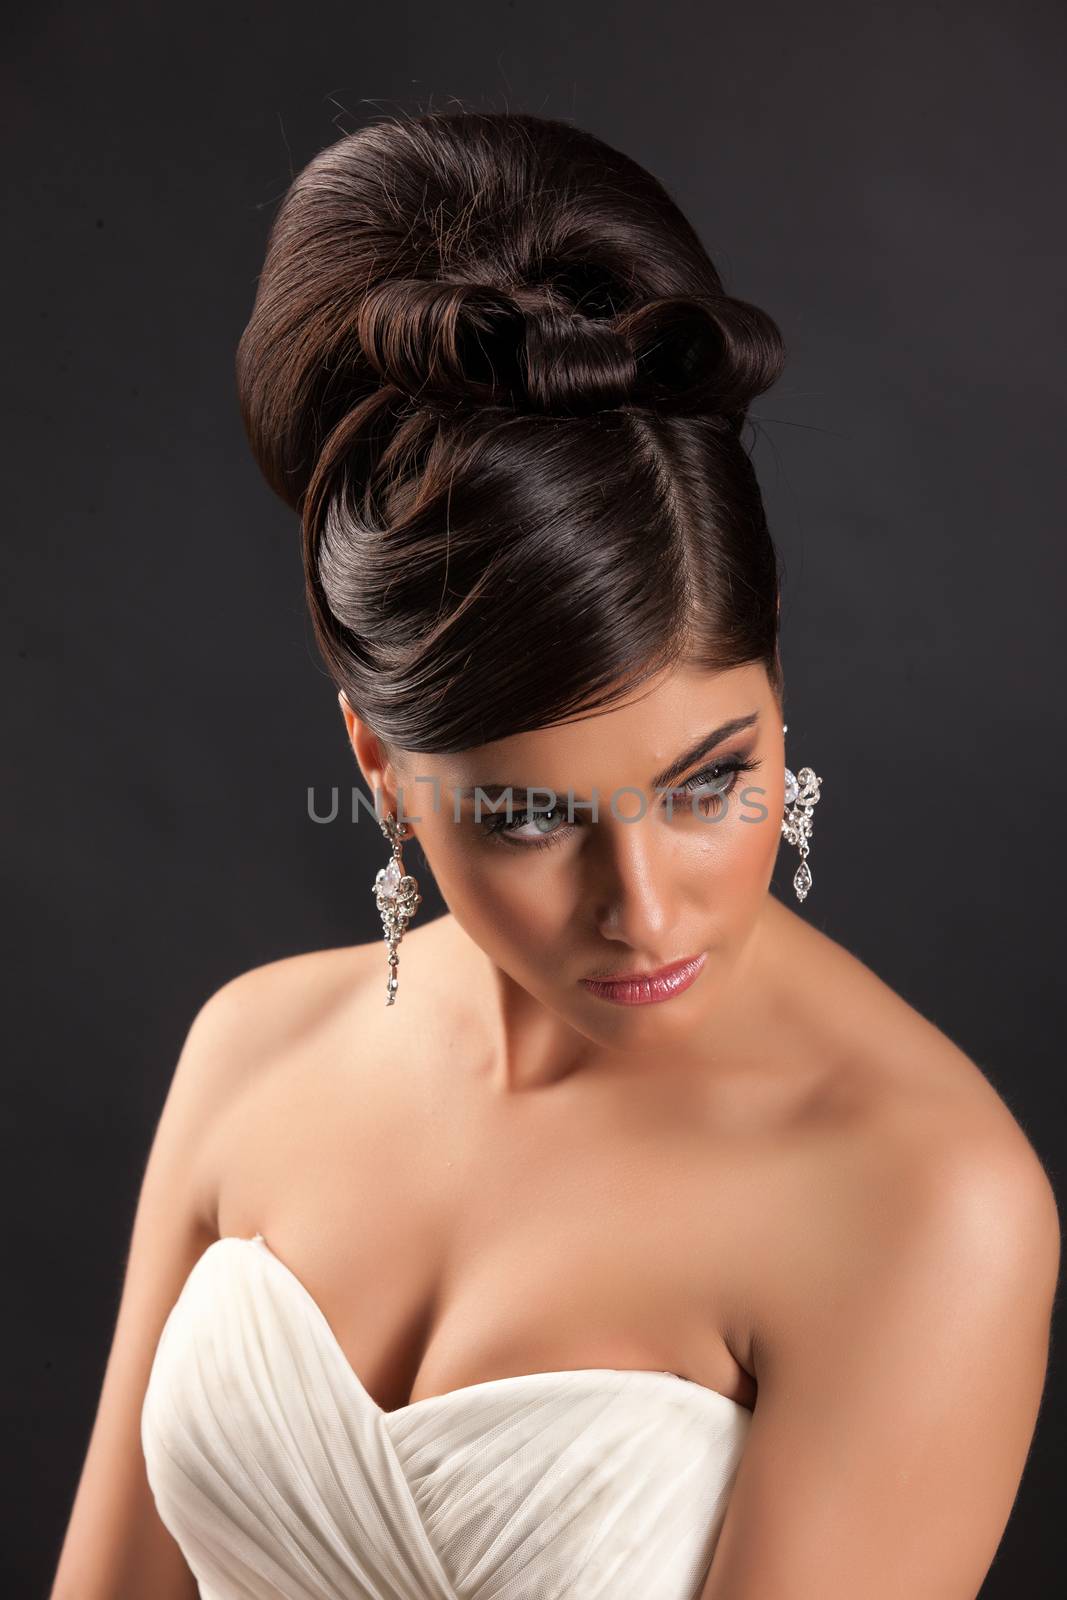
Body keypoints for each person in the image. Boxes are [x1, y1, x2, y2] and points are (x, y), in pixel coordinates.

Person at [50, 108, 1059, 1600]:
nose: (646, 909)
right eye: (528, 816)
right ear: (377, 765)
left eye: (714, 781)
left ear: (776, 673)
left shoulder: (921, 1200)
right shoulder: (247, 1055)